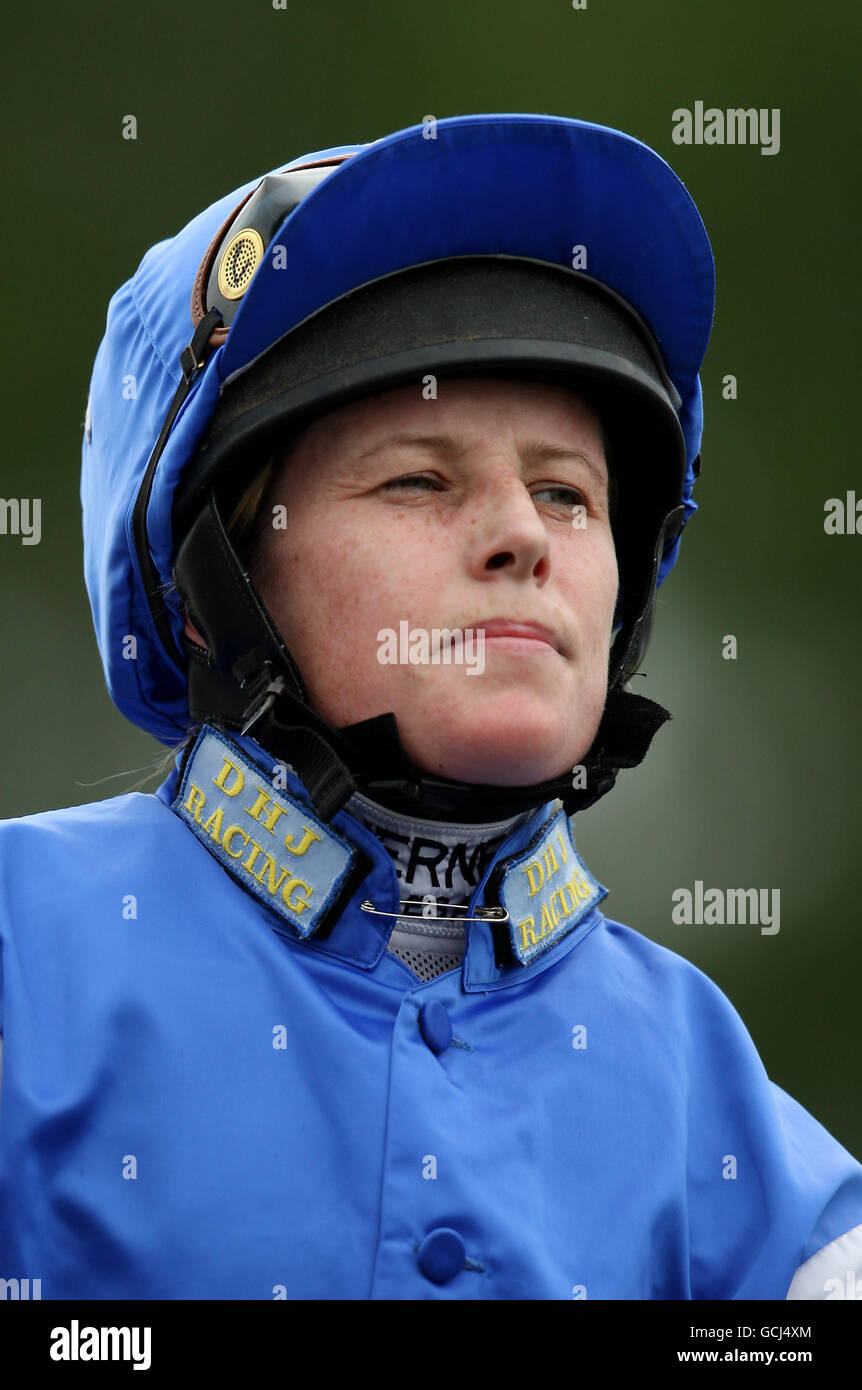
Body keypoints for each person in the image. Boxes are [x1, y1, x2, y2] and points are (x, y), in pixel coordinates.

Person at [1, 113, 860, 1301]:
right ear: (213, 590)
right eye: (417, 478)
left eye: (567, 492)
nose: (520, 535)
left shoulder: (743, 1137)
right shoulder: (20, 955)